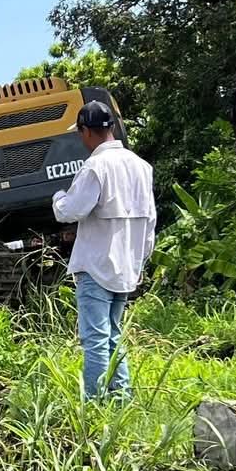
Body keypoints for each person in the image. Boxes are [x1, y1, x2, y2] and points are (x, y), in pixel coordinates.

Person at [52, 101, 156, 400]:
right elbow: (150, 220)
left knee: (96, 340)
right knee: (112, 336)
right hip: (125, 267)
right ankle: (121, 400)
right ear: (111, 127)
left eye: (80, 132)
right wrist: (140, 260)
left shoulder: (95, 167)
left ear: (86, 131)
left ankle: (95, 404)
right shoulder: (141, 166)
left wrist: (59, 197)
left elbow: (71, 210)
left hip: (96, 267)